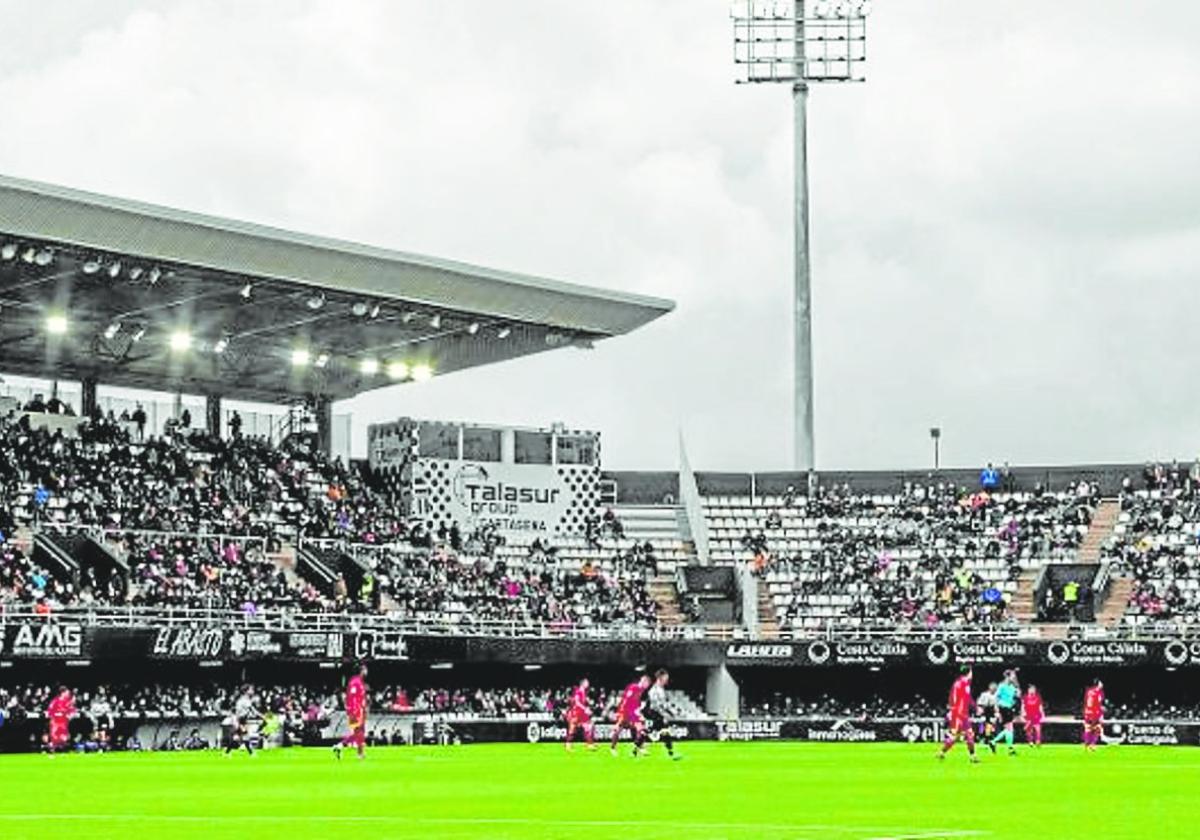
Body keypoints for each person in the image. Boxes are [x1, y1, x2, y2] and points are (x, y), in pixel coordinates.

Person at [937, 666, 979, 763]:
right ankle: (973, 757)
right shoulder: (958, 684)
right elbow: (953, 698)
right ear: (968, 673)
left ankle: (941, 753)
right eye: (971, 671)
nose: (972, 674)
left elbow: (968, 698)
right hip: (959, 715)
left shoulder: (966, 684)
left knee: (956, 737)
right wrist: (952, 712)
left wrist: (975, 707)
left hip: (963, 714)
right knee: (968, 734)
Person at [640, 669, 681, 760]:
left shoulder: (660, 689)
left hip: (657, 714)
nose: (667, 679)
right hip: (654, 714)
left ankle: (638, 748)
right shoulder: (654, 690)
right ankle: (671, 753)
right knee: (658, 732)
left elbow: (663, 704)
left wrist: (670, 711)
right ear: (660, 678)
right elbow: (656, 706)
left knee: (658, 732)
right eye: (666, 677)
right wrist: (665, 714)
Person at [334, 662, 369, 760]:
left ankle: (360, 754)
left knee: (361, 732)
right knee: (358, 732)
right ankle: (340, 745)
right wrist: (354, 711)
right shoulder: (354, 682)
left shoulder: (360, 682)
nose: (367, 671)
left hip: (360, 710)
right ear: (361, 671)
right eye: (365, 669)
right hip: (356, 711)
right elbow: (352, 698)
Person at [610, 674, 651, 757]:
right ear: (643, 681)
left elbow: (636, 702)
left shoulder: (641, 690)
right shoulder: (633, 687)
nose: (647, 686)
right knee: (618, 730)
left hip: (633, 713)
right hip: (625, 712)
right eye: (647, 684)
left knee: (640, 728)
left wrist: (638, 711)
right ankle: (613, 748)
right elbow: (626, 700)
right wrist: (621, 713)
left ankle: (640, 748)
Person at [989, 670, 1020, 755]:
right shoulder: (1001, 686)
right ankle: (1010, 748)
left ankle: (993, 742)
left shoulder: (1012, 687)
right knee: (1009, 728)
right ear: (1007, 677)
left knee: (1009, 729)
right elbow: (996, 698)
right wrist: (997, 710)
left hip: (1009, 709)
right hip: (1003, 708)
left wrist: (1016, 684)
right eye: (1012, 676)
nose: (1013, 678)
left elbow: (1017, 695)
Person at [565, 678, 595, 752]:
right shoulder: (578, 691)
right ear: (583, 683)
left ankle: (589, 744)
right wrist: (585, 709)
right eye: (587, 682)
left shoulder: (584, 692)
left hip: (582, 714)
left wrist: (587, 706)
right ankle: (568, 745)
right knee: (572, 730)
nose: (588, 684)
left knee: (588, 727)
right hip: (576, 713)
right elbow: (577, 702)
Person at [46, 686, 75, 756]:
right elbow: (49, 711)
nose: (68, 694)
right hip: (55, 722)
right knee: (54, 737)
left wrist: (70, 715)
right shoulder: (55, 701)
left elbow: (72, 710)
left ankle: (62, 751)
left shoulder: (68, 702)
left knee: (64, 738)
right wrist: (55, 715)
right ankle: (51, 751)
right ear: (62, 693)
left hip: (64, 722)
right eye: (67, 692)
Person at [1082, 679, 1105, 751]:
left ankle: (1086, 745)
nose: (1102, 684)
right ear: (1098, 684)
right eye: (1101, 682)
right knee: (1098, 729)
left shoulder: (1088, 691)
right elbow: (1098, 704)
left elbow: (1086, 702)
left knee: (1088, 728)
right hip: (1095, 713)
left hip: (1087, 712)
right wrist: (1101, 714)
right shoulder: (1099, 692)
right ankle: (1092, 744)